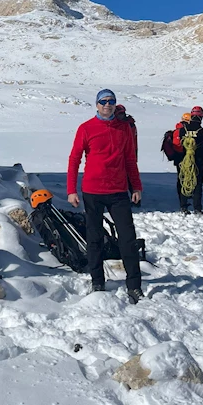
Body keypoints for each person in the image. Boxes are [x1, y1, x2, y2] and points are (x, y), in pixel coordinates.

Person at [67, 88, 145, 303]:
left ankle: (134, 286)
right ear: (97, 104)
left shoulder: (124, 129)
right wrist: (71, 190)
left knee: (127, 239)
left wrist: (136, 187)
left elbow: (130, 160)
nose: (107, 105)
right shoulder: (86, 128)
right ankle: (97, 281)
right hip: (92, 191)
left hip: (118, 191)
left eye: (111, 101)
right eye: (103, 101)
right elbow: (74, 159)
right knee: (94, 239)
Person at [172, 108, 203, 214]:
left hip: (184, 160)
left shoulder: (183, 130)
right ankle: (197, 208)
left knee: (184, 181)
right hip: (198, 161)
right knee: (197, 184)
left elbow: (178, 145)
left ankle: (183, 206)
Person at [116, 103, 140, 206]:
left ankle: (132, 197)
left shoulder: (126, 125)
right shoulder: (130, 124)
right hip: (131, 151)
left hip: (126, 152)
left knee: (127, 176)